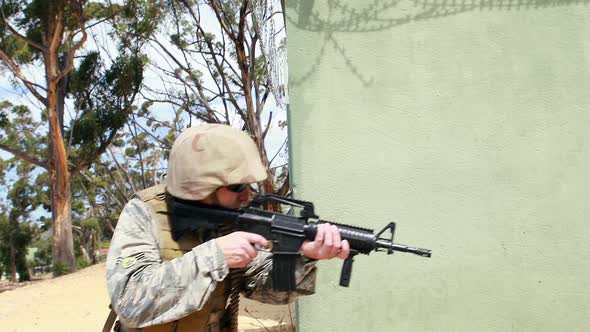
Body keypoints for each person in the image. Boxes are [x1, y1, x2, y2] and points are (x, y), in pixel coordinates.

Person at [105, 124, 350, 332]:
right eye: (236, 187)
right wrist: (215, 256)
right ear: (201, 186)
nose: (246, 195)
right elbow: (130, 301)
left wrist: (304, 256)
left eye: (248, 185)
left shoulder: (228, 220)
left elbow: (264, 289)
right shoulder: (144, 213)